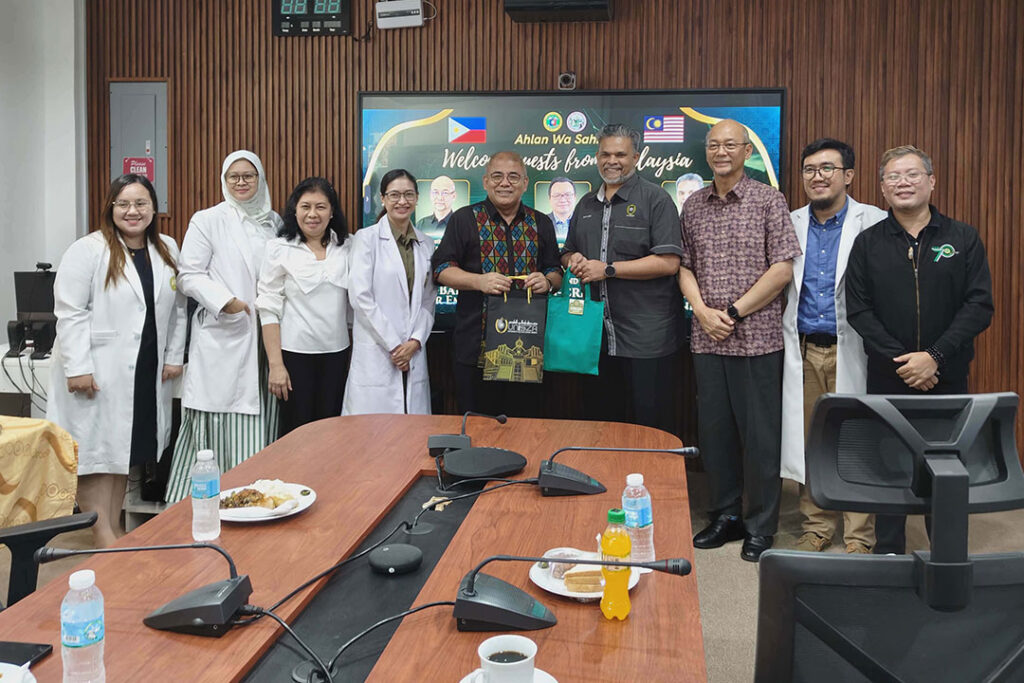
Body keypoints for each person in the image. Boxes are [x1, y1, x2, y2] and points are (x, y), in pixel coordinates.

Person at [846, 145, 994, 554]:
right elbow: (859, 310)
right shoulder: (868, 244)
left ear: (931, 181)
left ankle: (947, 555)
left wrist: (934, 357)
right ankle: (889, 552)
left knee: (946, 470)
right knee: (889, 468)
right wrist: (905, 363)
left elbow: (978, 305)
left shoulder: (962, 237)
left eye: (912, 174)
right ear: (882, 188)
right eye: (893, 177)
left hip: (947, 377)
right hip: (888, 378)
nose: (903, 183)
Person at [679, 119, 801, 562]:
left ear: (747, 151)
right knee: (715, 436)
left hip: (756, 340)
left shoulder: (769, 200)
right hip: (707, 339)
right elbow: (683, 266)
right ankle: (725, 515)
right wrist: (700, 310)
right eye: (714, 145)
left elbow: (782, 269)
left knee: (761, 438)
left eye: (730, 144)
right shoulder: (693, 204)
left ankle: (761, 525)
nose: (721, 152)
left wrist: (732, 313)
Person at [48, 174, 186, 547]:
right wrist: (78, 367)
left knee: (122, 449)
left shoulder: (167, 248)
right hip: (98, 367)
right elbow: (70, 312)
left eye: (140, 203)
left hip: (144, 366)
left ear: (154, 208)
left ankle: (115, 526)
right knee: (95, 451)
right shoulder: (88, 250)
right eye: (123, 203)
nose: (132, 211)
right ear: (111, 207)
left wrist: (174, 356)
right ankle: (102, 533)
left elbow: (178, 309)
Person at [781, 138, 887, 554]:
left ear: (848, 176)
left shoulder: (874, 221)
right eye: (810, 169)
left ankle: (860, 536)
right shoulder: (790, 222)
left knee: (856, 440)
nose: (818, 176)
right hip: (805, 349)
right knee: (811, 441)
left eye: (828, 168)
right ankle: (817, 526)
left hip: (855, 349)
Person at [164, 150, 283, 504]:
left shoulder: (274, 222)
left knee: (263, 419)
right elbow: (188, 275)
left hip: (266, 339)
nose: (241, 182)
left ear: (260, 179)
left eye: (249, 176)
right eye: (234, 176)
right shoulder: (208, 220)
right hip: (226, 333)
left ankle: (257, 501)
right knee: (220, 427)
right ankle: (205, 506)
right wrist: (224, 301)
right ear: (224, 181)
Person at [562, 124, 684, 433]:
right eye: (605, 154)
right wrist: (573, 260)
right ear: (597, 157)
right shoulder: (585, 204)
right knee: (602, 428)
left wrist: (608, 269)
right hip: (596, 340)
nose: (612, 161)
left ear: (636, 158)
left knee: (650, 428)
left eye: (620, 154)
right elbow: (568, 252)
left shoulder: (656, 199)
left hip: (646, 340)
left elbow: (669, 262)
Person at [432, 151, 562, 415]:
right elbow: (440, 269)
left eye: (513, 177)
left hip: (528, 349)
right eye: (497, 176)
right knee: (478, 427)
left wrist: (547, 282)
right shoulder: (464, 219)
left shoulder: (541, 222)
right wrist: (478, 281)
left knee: (525, 427)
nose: (505, 183)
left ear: (525, 183)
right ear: (486, 181)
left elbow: (555, 271)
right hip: (474, 348)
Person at [257, 177, 350, 435]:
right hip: (294, 355)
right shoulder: (278, 248)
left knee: (332, 431)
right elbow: (268, 308)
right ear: (294, 210)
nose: (312, 214)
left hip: (337, 354)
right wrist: (276, 365)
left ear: (332, 211)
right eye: (305, 207)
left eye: (321, 207)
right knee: (297, 432)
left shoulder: (347, 246)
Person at [344, 169, 436, 415]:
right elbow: (360, 298)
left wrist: (415, 342)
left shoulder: (426, 243)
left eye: (408, 194)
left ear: (417, 198)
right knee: (373, 430)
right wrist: (396, 346)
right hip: (379, 350)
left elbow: (428, 300)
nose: (402, 201)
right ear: (382, 199)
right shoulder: (366, 239)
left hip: (413, 352)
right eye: (394, 195)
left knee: (412, 428)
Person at [415, 175, 456, 242]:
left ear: (454, 196)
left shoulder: (461, 225)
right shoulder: (421, 224)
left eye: (445, 193)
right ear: (430, 195)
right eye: (435, 192)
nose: (440, 198)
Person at [546, 176, 577, 243]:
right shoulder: (540, 223)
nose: (563, 200)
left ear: (575, 197)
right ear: (550, 199)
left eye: (568, 194)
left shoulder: (585, 223)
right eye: (557, 195)